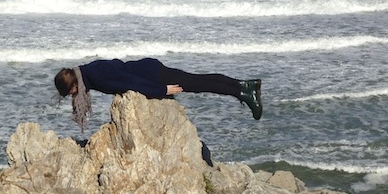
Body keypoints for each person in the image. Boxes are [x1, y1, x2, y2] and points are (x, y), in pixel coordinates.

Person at [54, 57, 262, 130]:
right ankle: (245, 85)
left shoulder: (95, 76)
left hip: (152, 76)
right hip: (149, 70)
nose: (74, 97)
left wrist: (162, 90)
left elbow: (130, 82)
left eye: (71, 93)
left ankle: (243, 92)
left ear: (73, 86)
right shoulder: (87, 72)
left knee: (198, 83)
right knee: (198, 80)